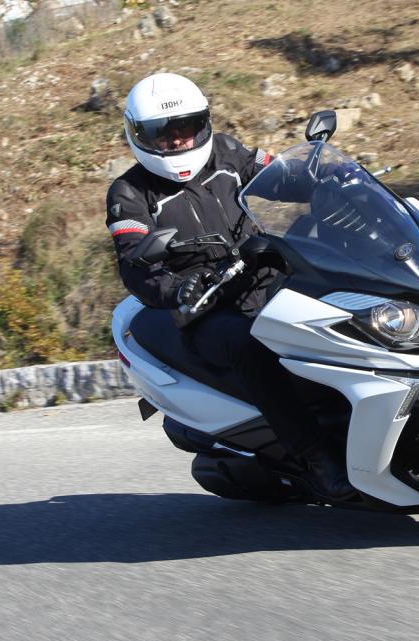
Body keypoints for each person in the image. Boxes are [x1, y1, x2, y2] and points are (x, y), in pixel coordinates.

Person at [105, 72, 352, 502]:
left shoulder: (227, 152)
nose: (178, 140)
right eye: (164, 133)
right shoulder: (129, 192)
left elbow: (280, 177)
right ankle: (316, 458)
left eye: (186, 127)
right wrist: (176, 289)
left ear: (202, 123)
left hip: (265, 275)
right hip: (205, 307)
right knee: (251, 347)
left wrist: (326, 175)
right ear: (140, 136)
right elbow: (134, 263)